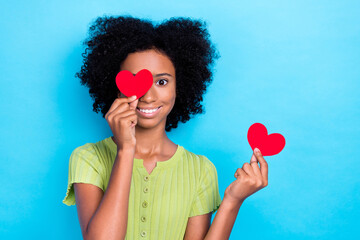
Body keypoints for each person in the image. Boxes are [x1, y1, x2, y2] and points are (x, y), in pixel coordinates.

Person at [62, 15, 268, 240]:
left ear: (179, 87)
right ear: (118, 88)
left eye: (161, 82)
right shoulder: (88, 158)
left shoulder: (200, 170)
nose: (148, 96)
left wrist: (232, 201)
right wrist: (126, 149)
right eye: (135, 80)